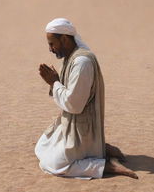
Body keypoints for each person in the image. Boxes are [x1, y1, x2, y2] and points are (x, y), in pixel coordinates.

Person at [35, 18, 138, 180]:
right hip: (72, 123)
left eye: (52, 43)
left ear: (64, 39)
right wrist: (55, 82)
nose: (50, 49)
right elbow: (70, 93)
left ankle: (106, 165)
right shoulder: (71, 58)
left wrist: (54, 82)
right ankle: (99, 149)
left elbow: (74, 105)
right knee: (41, 147)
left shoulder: (82, 62)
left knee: (54, 165)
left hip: (83, 127)